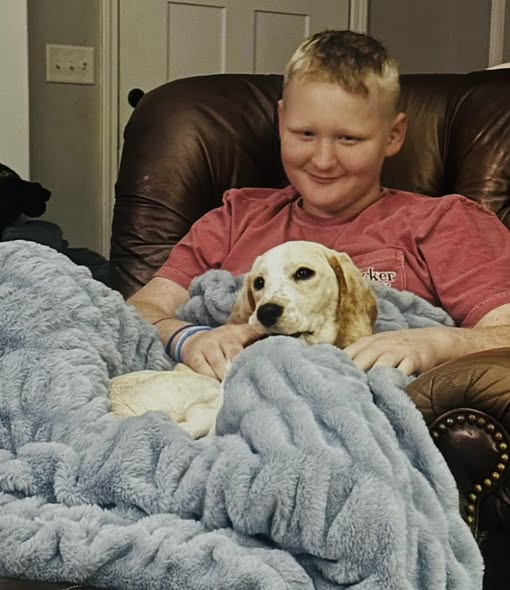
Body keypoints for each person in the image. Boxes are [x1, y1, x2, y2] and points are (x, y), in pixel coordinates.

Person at [128, 30, 510, 381]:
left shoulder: (446, 223)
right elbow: (139, 312)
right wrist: (187, 337)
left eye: (348, 139)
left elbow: (504, 331)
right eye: (305, 134)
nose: (323, 161)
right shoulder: (233, 220)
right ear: (281, 123)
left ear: (393, 135)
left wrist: (433, 343)